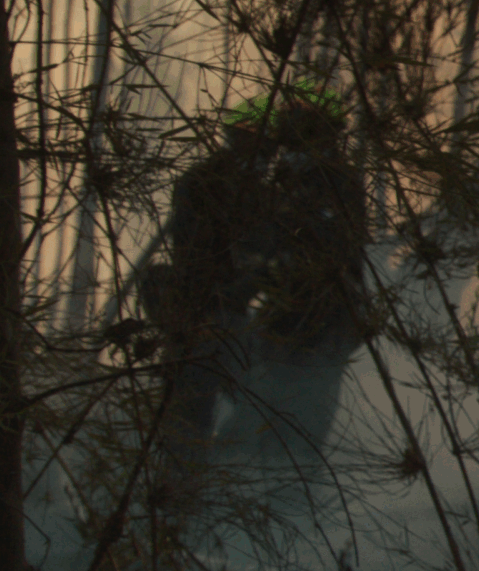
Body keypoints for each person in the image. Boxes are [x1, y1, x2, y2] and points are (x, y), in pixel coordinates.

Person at [147, 79, 368, 510]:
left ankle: (271, 509)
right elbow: (235, 252)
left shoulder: (324, 183)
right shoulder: (244, 185)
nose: (276, 153)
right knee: (246, 421)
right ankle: (205, 503)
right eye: (269, 144)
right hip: (259, 328)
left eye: (284, 140)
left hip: (310, 329)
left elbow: (310, 254)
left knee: (289, 425)